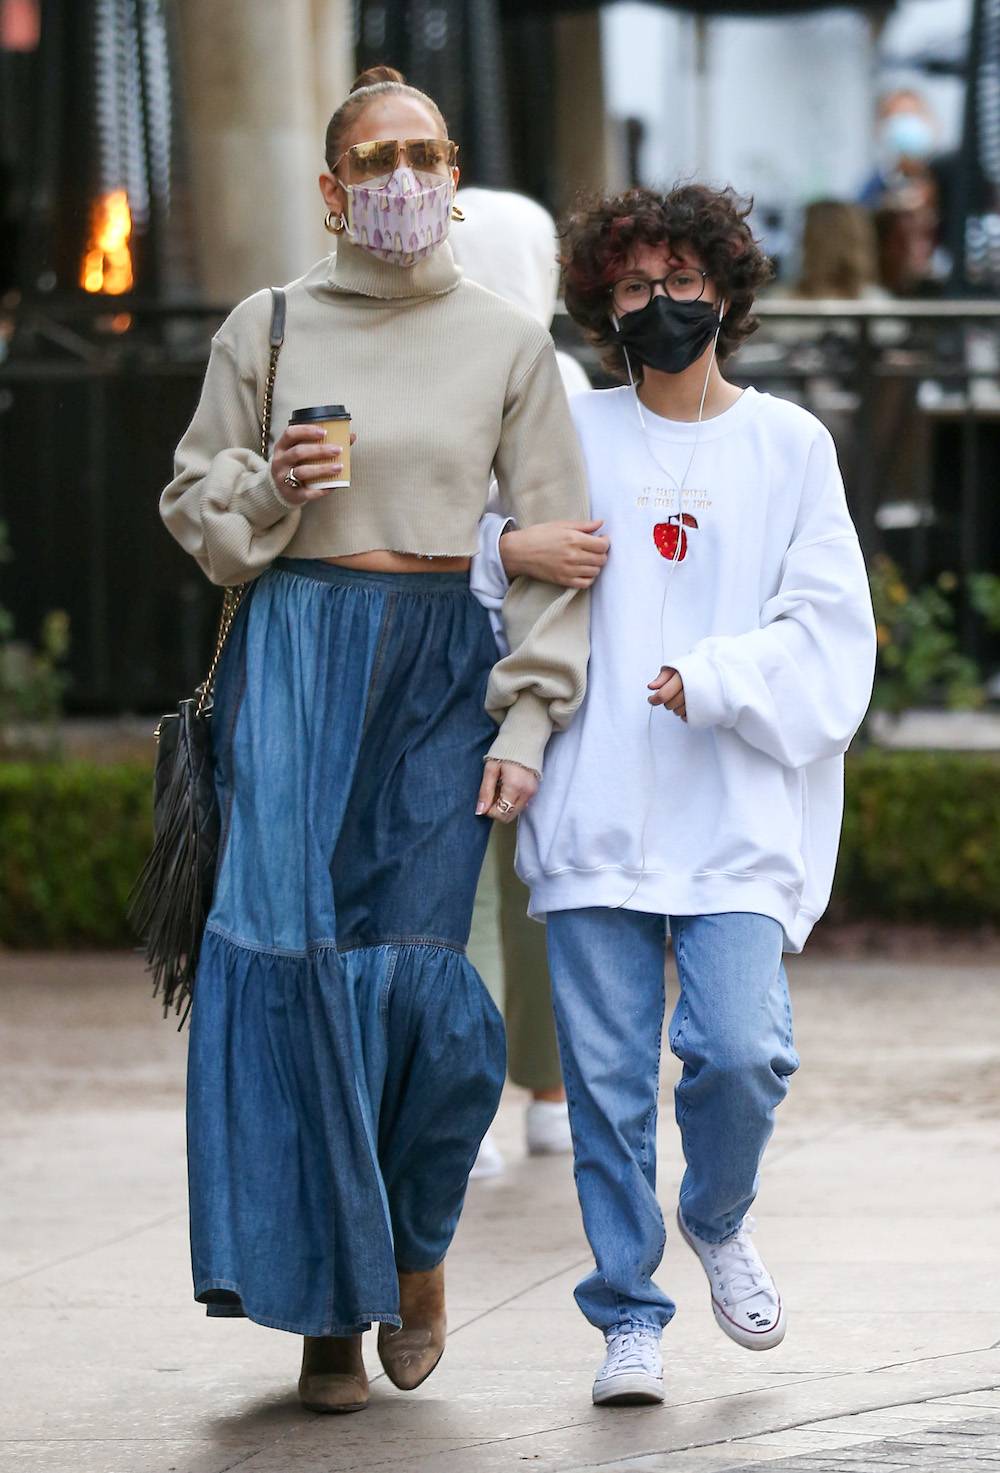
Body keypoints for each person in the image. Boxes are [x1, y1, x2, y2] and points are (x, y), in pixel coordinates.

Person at [159, 66, 591, 1415]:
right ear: (334, 189)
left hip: (437, 676)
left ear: (452, 177)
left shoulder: (509, 343)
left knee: (427, 988)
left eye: (426, 153)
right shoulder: (269, 323)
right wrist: (270, 487)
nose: (404, 177)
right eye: (376, 158)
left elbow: (559, 555)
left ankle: (413, 1242)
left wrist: (529, 710)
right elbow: (193, 501)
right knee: (296, 975)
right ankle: (325, 1317)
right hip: (294, 656)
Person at [514, 184, 876, 1406]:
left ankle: (715, 1215)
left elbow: (830, 632)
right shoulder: (573, 435)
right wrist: (509, 550)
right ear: (599, 305)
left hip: (732, 816)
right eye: (630, 287)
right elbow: (482, 562)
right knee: (607, 1086)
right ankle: (628, 1311)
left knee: (741, 1052)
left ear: (723, 289)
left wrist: (713, 679)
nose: (657, 305)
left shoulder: (788, 446)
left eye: (677, 281)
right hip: (594, 806)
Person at [452, 187, 605, 1174]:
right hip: (555, 650)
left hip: (449, 645)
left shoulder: (451, 364)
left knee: (456, 887)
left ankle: (460, 1109)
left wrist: (493, 547)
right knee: (542, 877)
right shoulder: (569, 376)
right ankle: (550, 1095)